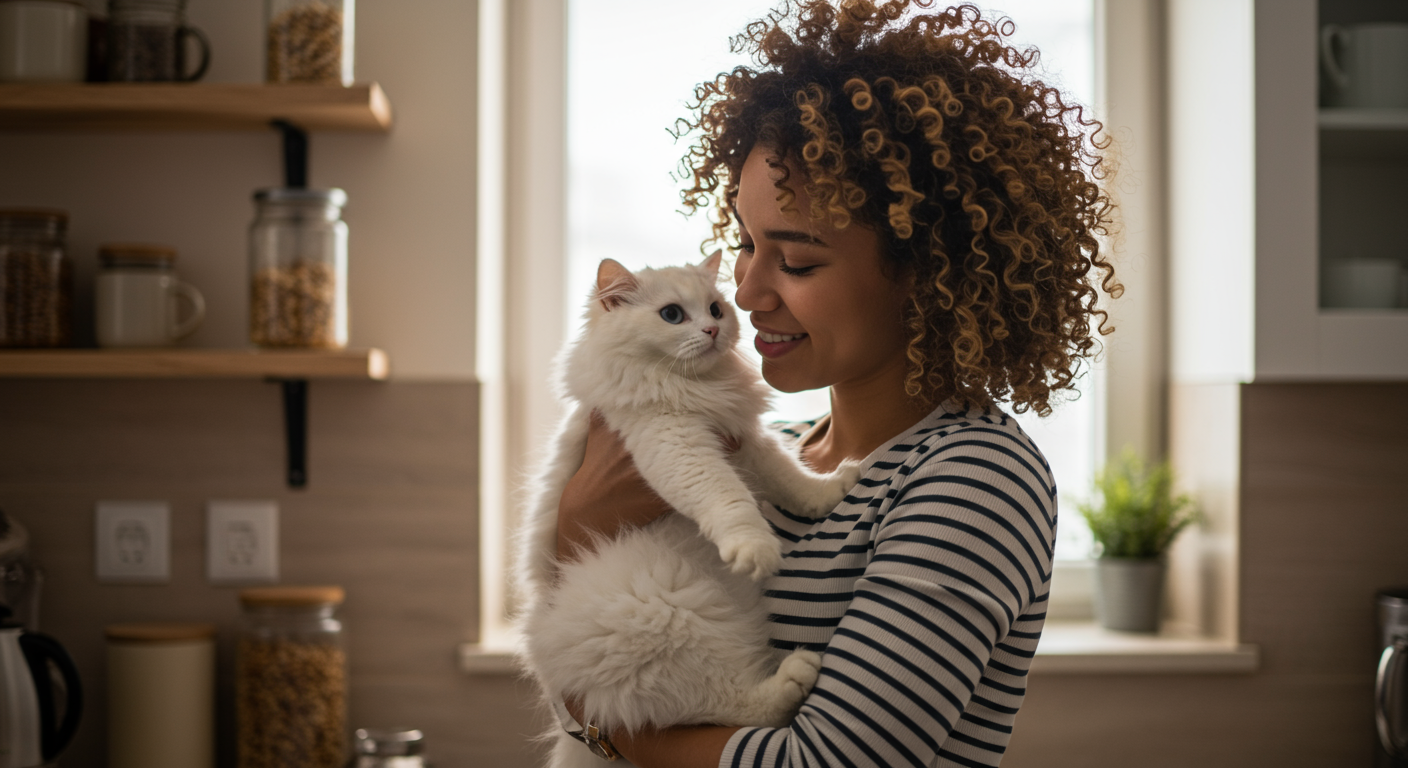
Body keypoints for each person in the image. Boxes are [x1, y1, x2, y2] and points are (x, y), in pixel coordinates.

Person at [555, 1, 1120, 766]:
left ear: (927, 274)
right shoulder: (776, 453)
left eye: (797, 261)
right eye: (749, 245)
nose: (748, 293)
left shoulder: (975, 480)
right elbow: (605, 648)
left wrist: (606, 728)